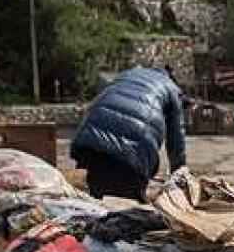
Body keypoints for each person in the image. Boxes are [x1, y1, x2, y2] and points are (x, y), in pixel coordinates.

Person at [71, 67, 187, 202]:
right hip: (134, 151)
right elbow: (176, 137)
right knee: (131, 208)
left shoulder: (127, 74)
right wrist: (179, 174)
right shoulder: (171, 88)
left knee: (99, 200)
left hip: (91, 143)